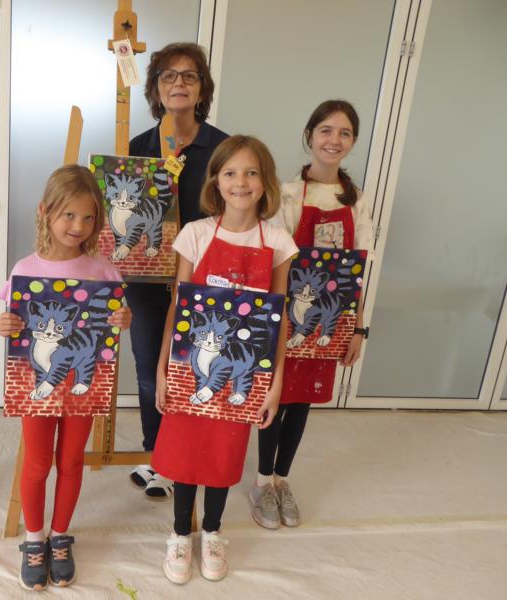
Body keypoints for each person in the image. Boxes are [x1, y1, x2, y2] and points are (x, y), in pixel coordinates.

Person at [153, 135, 297, 583]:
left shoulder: (278, 241)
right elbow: (177, 307)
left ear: (265, 181)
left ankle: (213, 531)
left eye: (251, 172)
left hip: (242, 373)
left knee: (224, 453)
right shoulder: (195, 234)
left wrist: (275, 382)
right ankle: (181, 533)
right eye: (230, 172)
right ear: (215, 180)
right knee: (184, 451)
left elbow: (279, 318)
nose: (241, 182)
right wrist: (162, 368)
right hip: (189, 366)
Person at [0, 165, 132, 591]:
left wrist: (123, 320)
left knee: (71, 461)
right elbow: (12, 321)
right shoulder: (25, 269)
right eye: (68, 215)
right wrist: (5, 324)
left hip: (81, 385)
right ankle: (34, 538)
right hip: (35, 384)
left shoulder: (103, 271)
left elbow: (113, 324)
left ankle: (60, 536)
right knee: (38, 462)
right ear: (45, 211)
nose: (78, 226)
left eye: (88, 217)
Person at [250, 100, 373, 530]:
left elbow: (359, 272)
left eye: (344, 133)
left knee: (302, 401)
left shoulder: (357, 201)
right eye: (326, 130)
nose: (334, 140)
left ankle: (282, 479)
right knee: (277, 396)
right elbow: (271, 263)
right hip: (287, 314)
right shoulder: (285, 194)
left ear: (353, 141)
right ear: (309, 136)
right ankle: (262, 482)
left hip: (329, 320)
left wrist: (358, 328)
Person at [127, 42, 228, 500]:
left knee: (196, 367)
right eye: (168, 75)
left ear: (202, 88)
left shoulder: (222, 147)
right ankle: (157, 455)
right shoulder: (138, 147)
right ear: (155, 88)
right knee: (151, 368)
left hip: (205, 279)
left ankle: (188, 455)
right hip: (147, 278)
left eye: (189, 76)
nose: (179, 83)